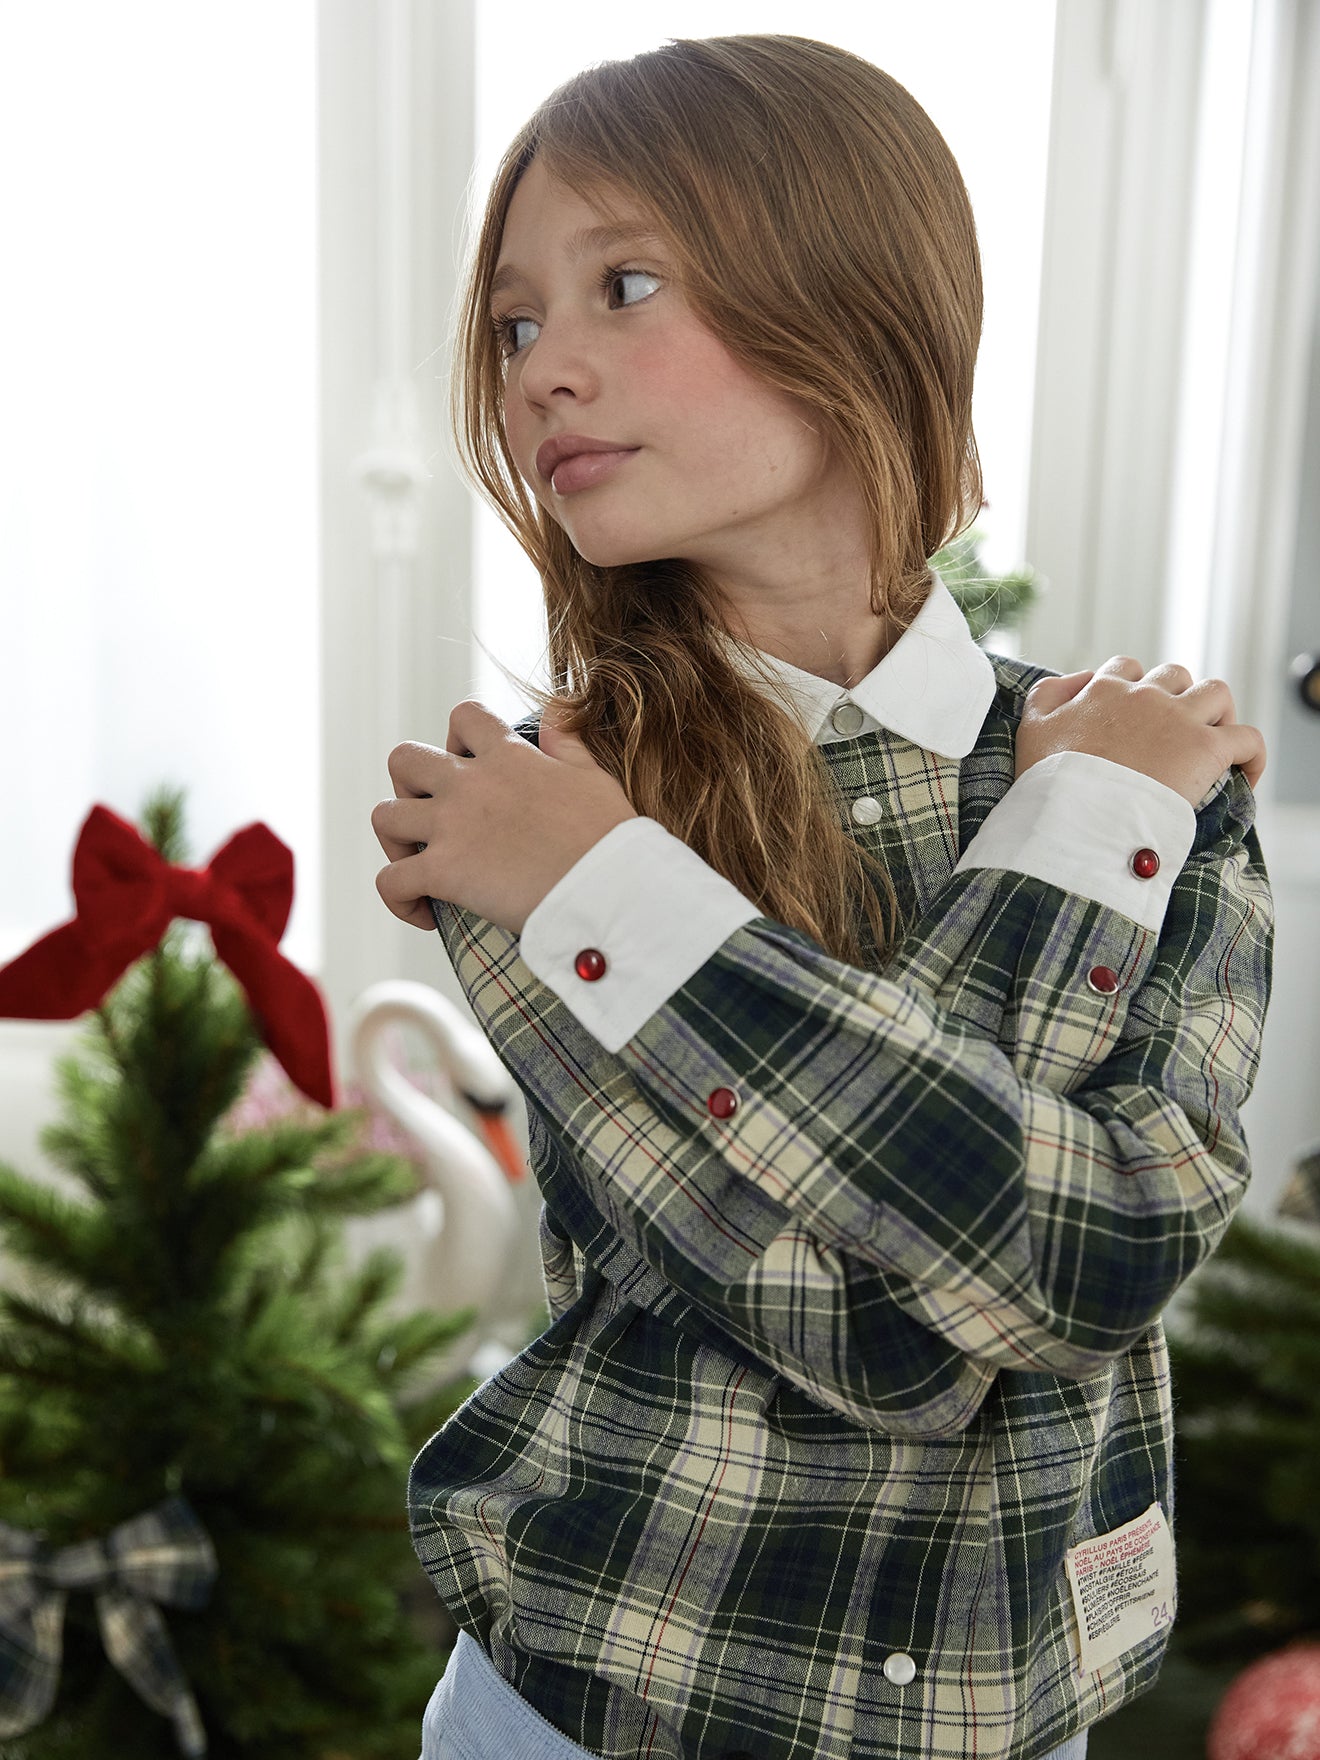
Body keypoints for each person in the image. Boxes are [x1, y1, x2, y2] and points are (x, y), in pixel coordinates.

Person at [370, 35, 1273, 1760]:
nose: (543, 368)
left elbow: (1108, 1250)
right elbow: (886, 1341)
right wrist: (1077, 838)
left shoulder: (1147, 768)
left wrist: (623, 907)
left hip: (1019, 1716)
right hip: (604, 1710)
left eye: (622, 283)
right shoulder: (530, 807)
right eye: (513, 323)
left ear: (856, 298)